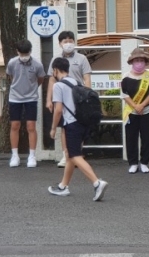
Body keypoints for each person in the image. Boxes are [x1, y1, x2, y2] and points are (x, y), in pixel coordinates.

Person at [47, 57, 108, 201]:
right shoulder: (76, 82)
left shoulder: (58, 86)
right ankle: (63, 186)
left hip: (71, 125)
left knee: (75, 156)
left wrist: (53, 128)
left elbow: (58, 110)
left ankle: (97, 183)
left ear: (55, 70)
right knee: (70, 154)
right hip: (82, 123)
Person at [46, 31, 92, 168]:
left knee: (78, 126)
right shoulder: (56, 60)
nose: (68, 43)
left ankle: (77, 154)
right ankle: (65, 155)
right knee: (64, 127)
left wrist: (87, 96)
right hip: (61, 98)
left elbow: (87, 78)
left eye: (70, 40)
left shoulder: (82, 58)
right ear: (60, 43)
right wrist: (49, 99)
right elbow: (51, 80)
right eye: (65, 41)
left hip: (78, 99)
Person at [6, 40, 46, 168]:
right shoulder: (12, 63)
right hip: (15, 98)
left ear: (30, 51)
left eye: (26, 53)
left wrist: (31, 88)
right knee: (15, 125)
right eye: (21, 54)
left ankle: (32, 156)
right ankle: (15, 155)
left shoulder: (37, 64)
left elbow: (40, 79)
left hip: (31, 98)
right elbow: (11, 77)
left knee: (31, 126)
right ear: (17, 52)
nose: (24, 56)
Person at [121, 48, 149, 174]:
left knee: (147, 137)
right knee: (131, 137)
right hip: (131, 111)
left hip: (147, 110)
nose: (139, 63)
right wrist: (135, 106)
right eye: (136, 60)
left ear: (145, 62)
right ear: (132, 62)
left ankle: (144, 162)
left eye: (141, 60)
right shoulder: (126, 77)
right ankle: (132, 163)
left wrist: (142, 105)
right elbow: (124, 94)